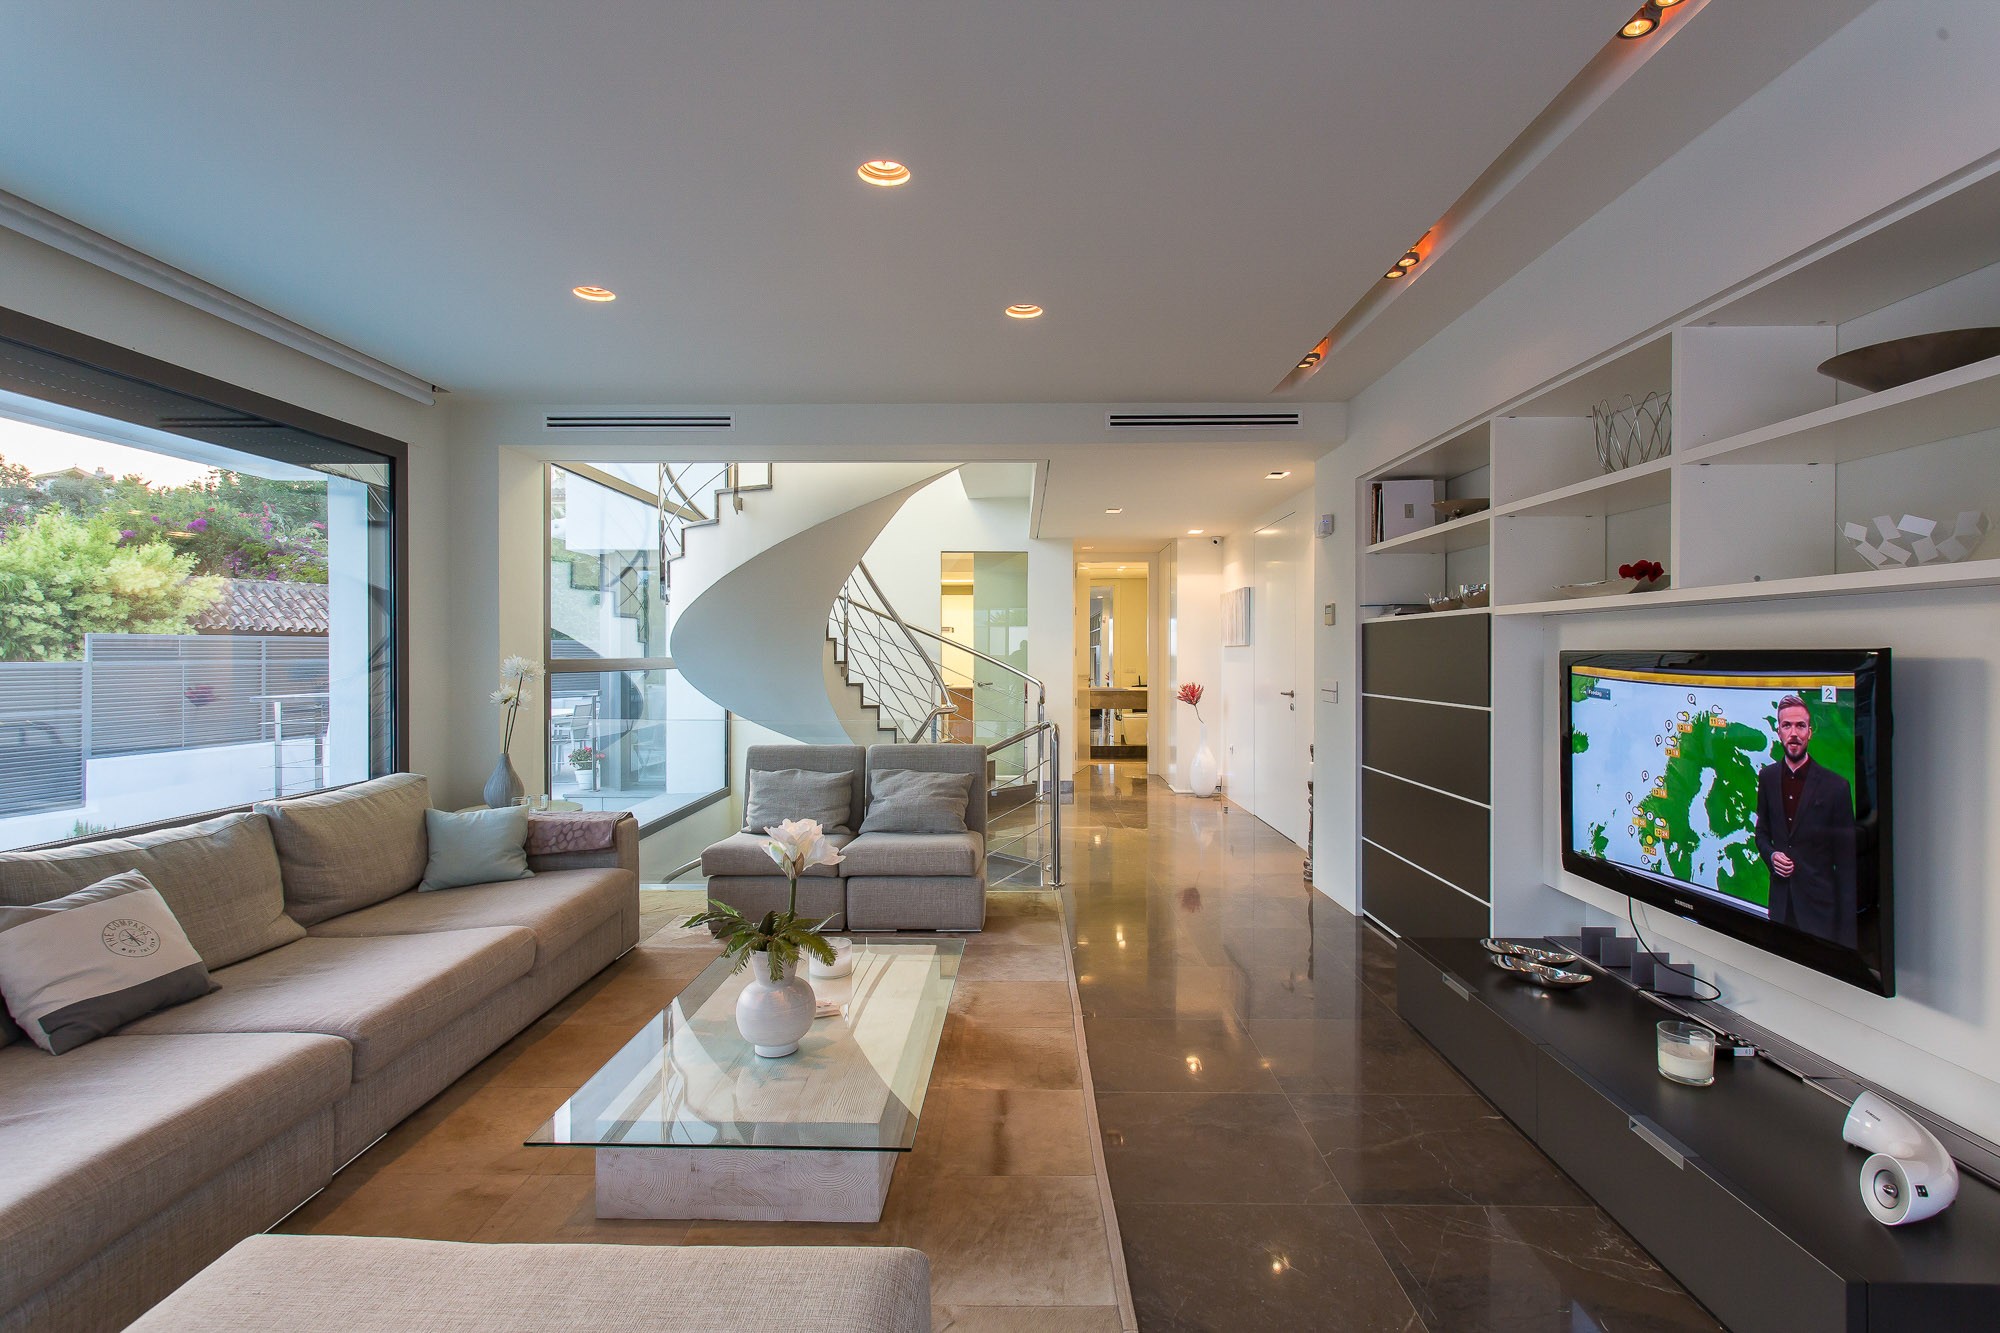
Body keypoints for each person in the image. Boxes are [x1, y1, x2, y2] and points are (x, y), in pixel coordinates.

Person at [1754, 695, 1857, 947]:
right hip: (1780, 909)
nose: (1793, 733)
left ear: (1810, 732)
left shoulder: (1836, 787)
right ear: (1778, 732)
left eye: (1800, 726)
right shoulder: (1767, 778)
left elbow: (1847, 865)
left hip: (1820, 915)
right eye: (1787, 726)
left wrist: (1848, 938)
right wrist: (1771, 856)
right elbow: (1762, 834)